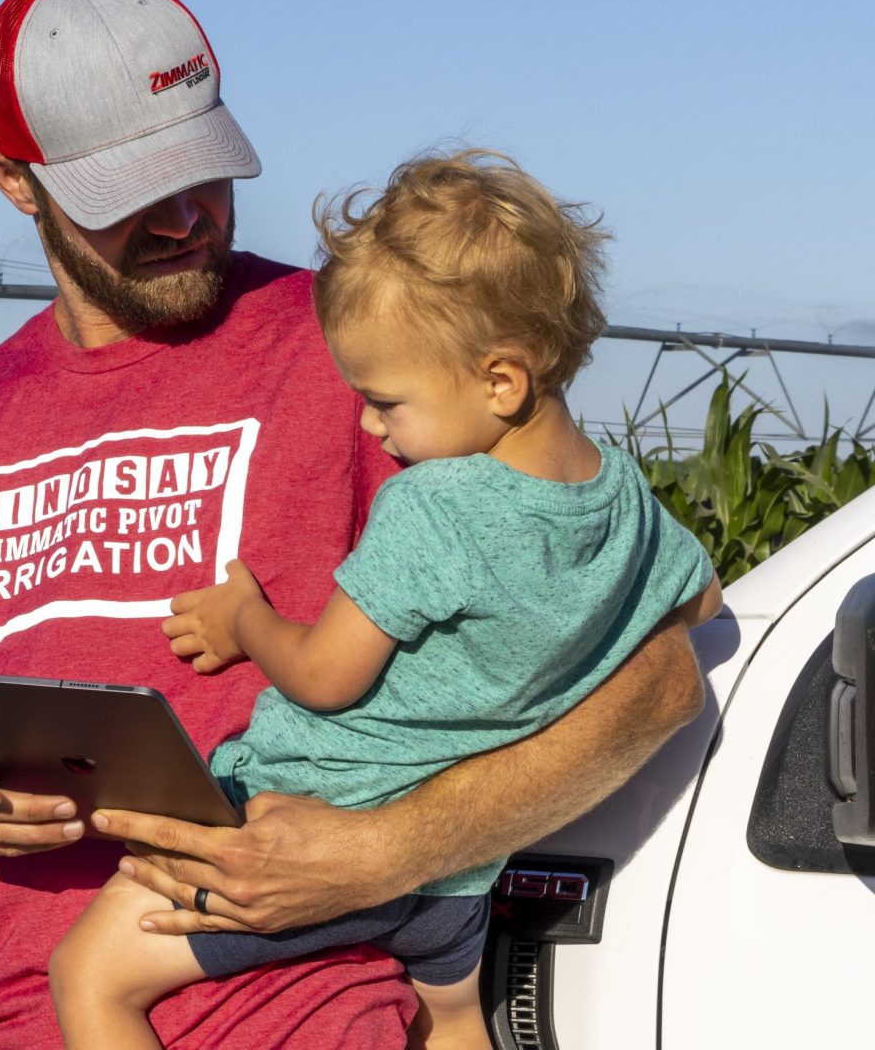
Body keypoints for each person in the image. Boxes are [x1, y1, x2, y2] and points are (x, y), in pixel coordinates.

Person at [0, 0, 708, 1049]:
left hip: (295, 1006)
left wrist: (383, 851)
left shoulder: (370, 348)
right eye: (126, 192)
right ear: (15, 179)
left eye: (202, 169)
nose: (182, 216)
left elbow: (660, 676)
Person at [44, 151, 722, 1050]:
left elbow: (324, 678)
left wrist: (244, 620)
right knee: (452, 1023)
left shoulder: (436, 507)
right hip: (456, 888)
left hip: (310, 824)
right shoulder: (624, 497)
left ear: (501, 381)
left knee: (85, 977)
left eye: (385, 401)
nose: (371, 426)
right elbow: (703, 600)